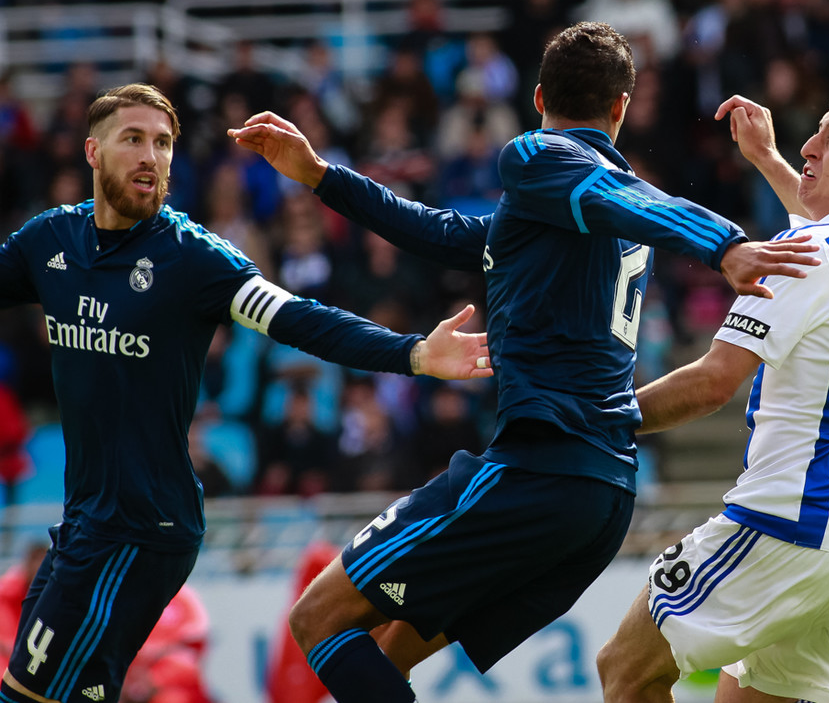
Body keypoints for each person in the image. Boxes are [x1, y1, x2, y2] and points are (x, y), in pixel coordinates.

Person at [228, 21, 820, 703]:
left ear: (538, 96)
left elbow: (616, 193)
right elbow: (443, 231)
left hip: (539, 472)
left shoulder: (540, 157)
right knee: (387, 652)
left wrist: (723, 245)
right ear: (621, 107)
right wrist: (321, 176)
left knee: (318, 618)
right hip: (602, 498)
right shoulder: (582, 223)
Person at [0, 83, 492, 703]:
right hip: (86, 523)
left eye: (163, 143)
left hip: (140, 529)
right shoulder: (49, 243)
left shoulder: (193, 259)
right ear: (93, 152)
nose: (151, 155)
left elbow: (301, 318)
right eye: (134, 140)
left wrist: (414, 352)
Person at [595, 74, 829, 703]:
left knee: (626, 669)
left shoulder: (806, 250)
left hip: (783, 521)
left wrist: (596, 418)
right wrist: (766, 157)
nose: (809, 147)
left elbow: (711, 384)